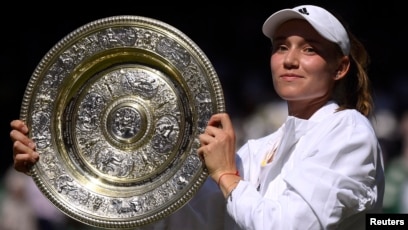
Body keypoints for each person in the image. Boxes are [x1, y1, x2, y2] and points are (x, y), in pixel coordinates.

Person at [10, 4, 384, 230]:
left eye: (310, 49)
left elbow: (287, 225)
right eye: (281, 47)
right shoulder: (260, 151)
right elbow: (170, 219)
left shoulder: (347, 129)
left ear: (340, 68)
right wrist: (59, 172)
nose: (289, 59)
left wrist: (225, 175)